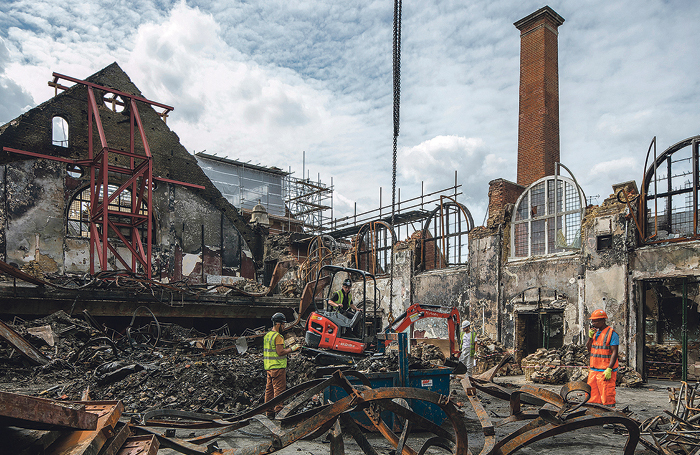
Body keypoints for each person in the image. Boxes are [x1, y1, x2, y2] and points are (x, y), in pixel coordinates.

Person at [263, 312, 300, 418]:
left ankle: (269, 412)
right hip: (278, 368)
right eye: (283, 324)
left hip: (269, 368)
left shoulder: (267, 336)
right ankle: (279, 413)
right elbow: (280, 352)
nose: (284, 327)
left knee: (269, 391)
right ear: (278, 324)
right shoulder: (278, 336)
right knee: (279, 391)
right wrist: (292, 348)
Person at [586, 309, 619, 406]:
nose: (593, 323)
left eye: (595, 321)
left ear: (602, 321)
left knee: (607, 396)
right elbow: (589, 349)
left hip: (605, 370)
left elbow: (615, 352)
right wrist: (590, 337)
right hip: (594, 370)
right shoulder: (595, 333)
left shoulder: (612, 334)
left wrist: (609, 368)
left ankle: (609, 415)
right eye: (592, 321)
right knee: (591, 397)